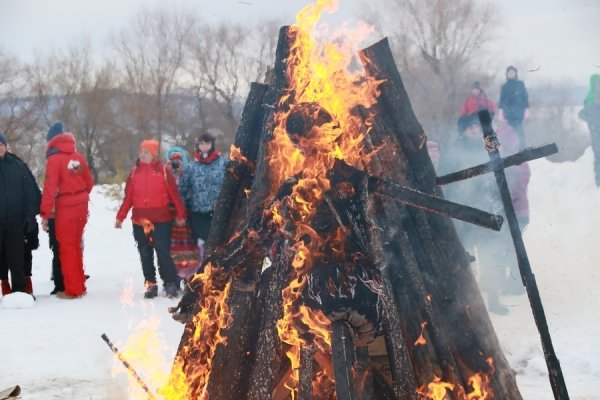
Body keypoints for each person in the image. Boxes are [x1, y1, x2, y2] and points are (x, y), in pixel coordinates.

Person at [439, 115, 529, 315]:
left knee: (491, 255)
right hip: (468, 213)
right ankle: (470, 304)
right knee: (469, 261)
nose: (474, 131)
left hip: (490, 209)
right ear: (462, 131)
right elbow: (449, 183)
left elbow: (501, 174)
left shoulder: (486, 147)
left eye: (475, 128)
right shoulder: (454, 151)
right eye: (470, 128)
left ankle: (494, 300)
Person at [115, 140, 186, 298]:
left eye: (146, 152)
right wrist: (120, 217)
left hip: (161, 220)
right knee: (145, 253)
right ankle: (150, 284)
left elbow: (174, 195)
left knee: (163, 253)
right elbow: (129, 198)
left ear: (153, 154)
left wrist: (181, 214)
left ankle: (169, 283)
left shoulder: (164, 170)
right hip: (140, 220)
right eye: (141, 151)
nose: (142, 154)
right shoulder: (135, 172)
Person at [40, 122, 94, 299]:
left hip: (65, 207)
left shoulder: (54, 160)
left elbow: (50, 189)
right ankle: (80, 285)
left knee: (67, 248)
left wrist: (46, 214)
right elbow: (89, 183)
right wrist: (80, 196)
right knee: (77, 246)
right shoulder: (78, 157)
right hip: (82, 206)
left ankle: (72, 289)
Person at [0, 132, 39, 297]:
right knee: (1, 256)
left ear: (5, 146)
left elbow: (29, 192)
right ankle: (4, 284)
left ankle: (19, 289)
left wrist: (29, 216)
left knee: (17, 256)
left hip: (15, 220)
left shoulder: (17, 165)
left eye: (1, 145)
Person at [179, 131, 227, 258]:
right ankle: (206, 268)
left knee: (219, 242)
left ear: (212, 145)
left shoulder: (222, 163)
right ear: (198, 146)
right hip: (198, 212)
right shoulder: (192, 167)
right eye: (202, 144)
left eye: (207, 143)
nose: (204, 146)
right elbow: (183, 188)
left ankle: (215, 267)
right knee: (207, 241)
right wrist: (181, 209)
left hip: (218, 210)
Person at [499, 66, 530, 149]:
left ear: (516, 74)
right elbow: (502, 99)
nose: (511, 74)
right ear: (507, 74)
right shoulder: (504, 86)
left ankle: (522, 148)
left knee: (519, 130)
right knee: (510, 131)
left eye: (513, 72)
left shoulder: (520, 84)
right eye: (510, 72)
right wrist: (501, 111)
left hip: (519, 110)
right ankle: (512, 149)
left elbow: (525, 96)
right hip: (508, 111)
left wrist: (526, 109)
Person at [578, 74, 600, 186]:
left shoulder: (589, 98)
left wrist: (591, 122)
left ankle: (599, 180)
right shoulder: (590, 98)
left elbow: (581, 114)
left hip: (595, 131)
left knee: (598, 155)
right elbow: (582, 114)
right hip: (596, 131)